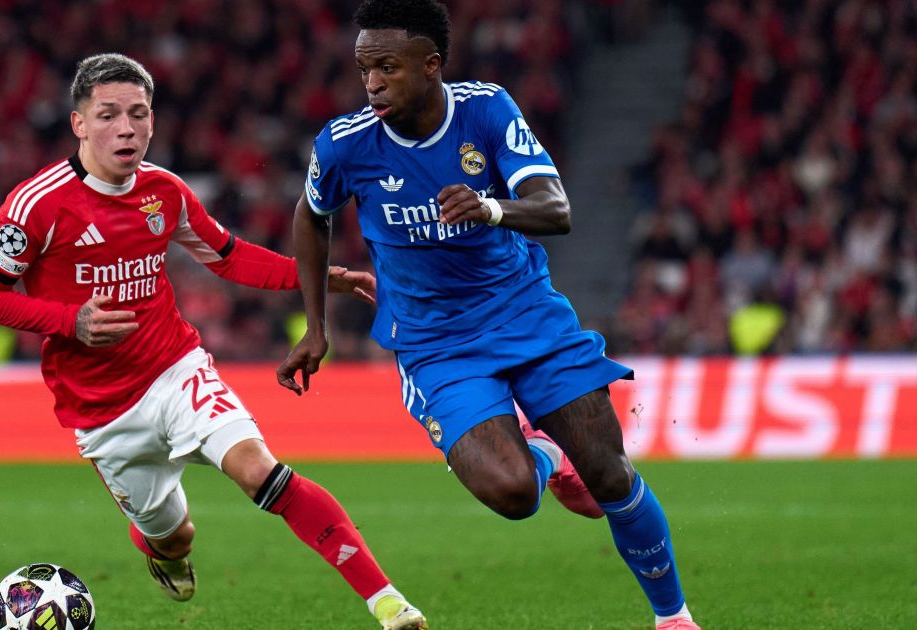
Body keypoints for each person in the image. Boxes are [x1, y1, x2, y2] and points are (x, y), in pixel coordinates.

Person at [277, 1, 700, 628]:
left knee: (610, 476)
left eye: (388, 67)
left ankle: (675, 619)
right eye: (365, 69)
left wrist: (489, 207)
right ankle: (546, 457)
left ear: (431, 65)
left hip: (527, 316)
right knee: (513, 493)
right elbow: (312, 216)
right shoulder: (346, 143)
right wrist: (316, 325)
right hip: (436, 344)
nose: (372, 84)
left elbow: (555, 209)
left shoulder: (486, 109)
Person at [0, 53, 427, 630]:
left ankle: (388, 603)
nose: (127, 128)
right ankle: (165, 551)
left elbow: (228, 257)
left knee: (260, 471)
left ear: (153, 121)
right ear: (79, 124)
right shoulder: (37, 204)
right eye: (108, 115)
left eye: (139, 114)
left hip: (174, 370)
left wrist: (317, 275)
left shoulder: (164, 191)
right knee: (173, 535)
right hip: (102, 410)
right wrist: (70, 321)